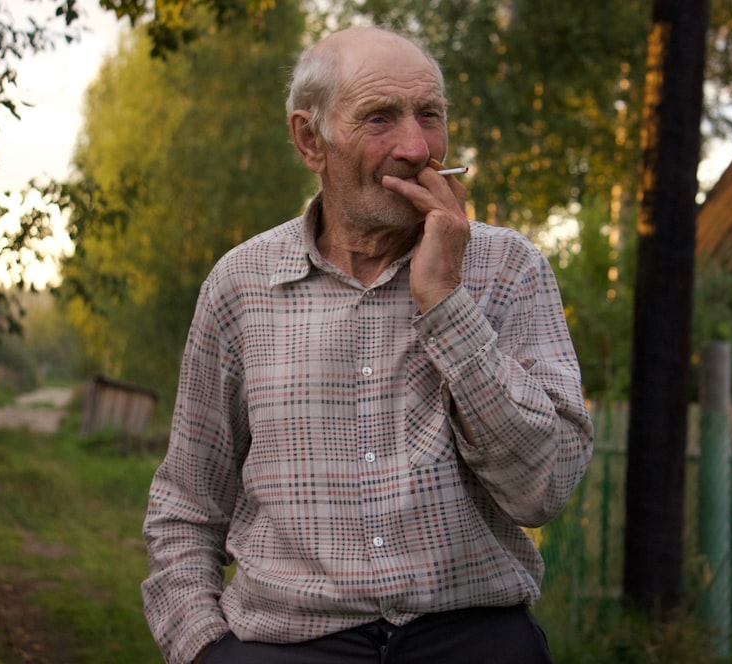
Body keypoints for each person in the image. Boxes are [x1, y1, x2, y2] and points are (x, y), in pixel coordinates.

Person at [142, 25, 594, 664]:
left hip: (472, 640)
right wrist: (203, 649)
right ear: (310, 139)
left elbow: (541, 490)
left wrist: (446, 301)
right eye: (380, 118)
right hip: (285, 644)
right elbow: (187, 505)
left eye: (429, 115)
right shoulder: (241, 285)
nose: (415, 147)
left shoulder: (509, 269)